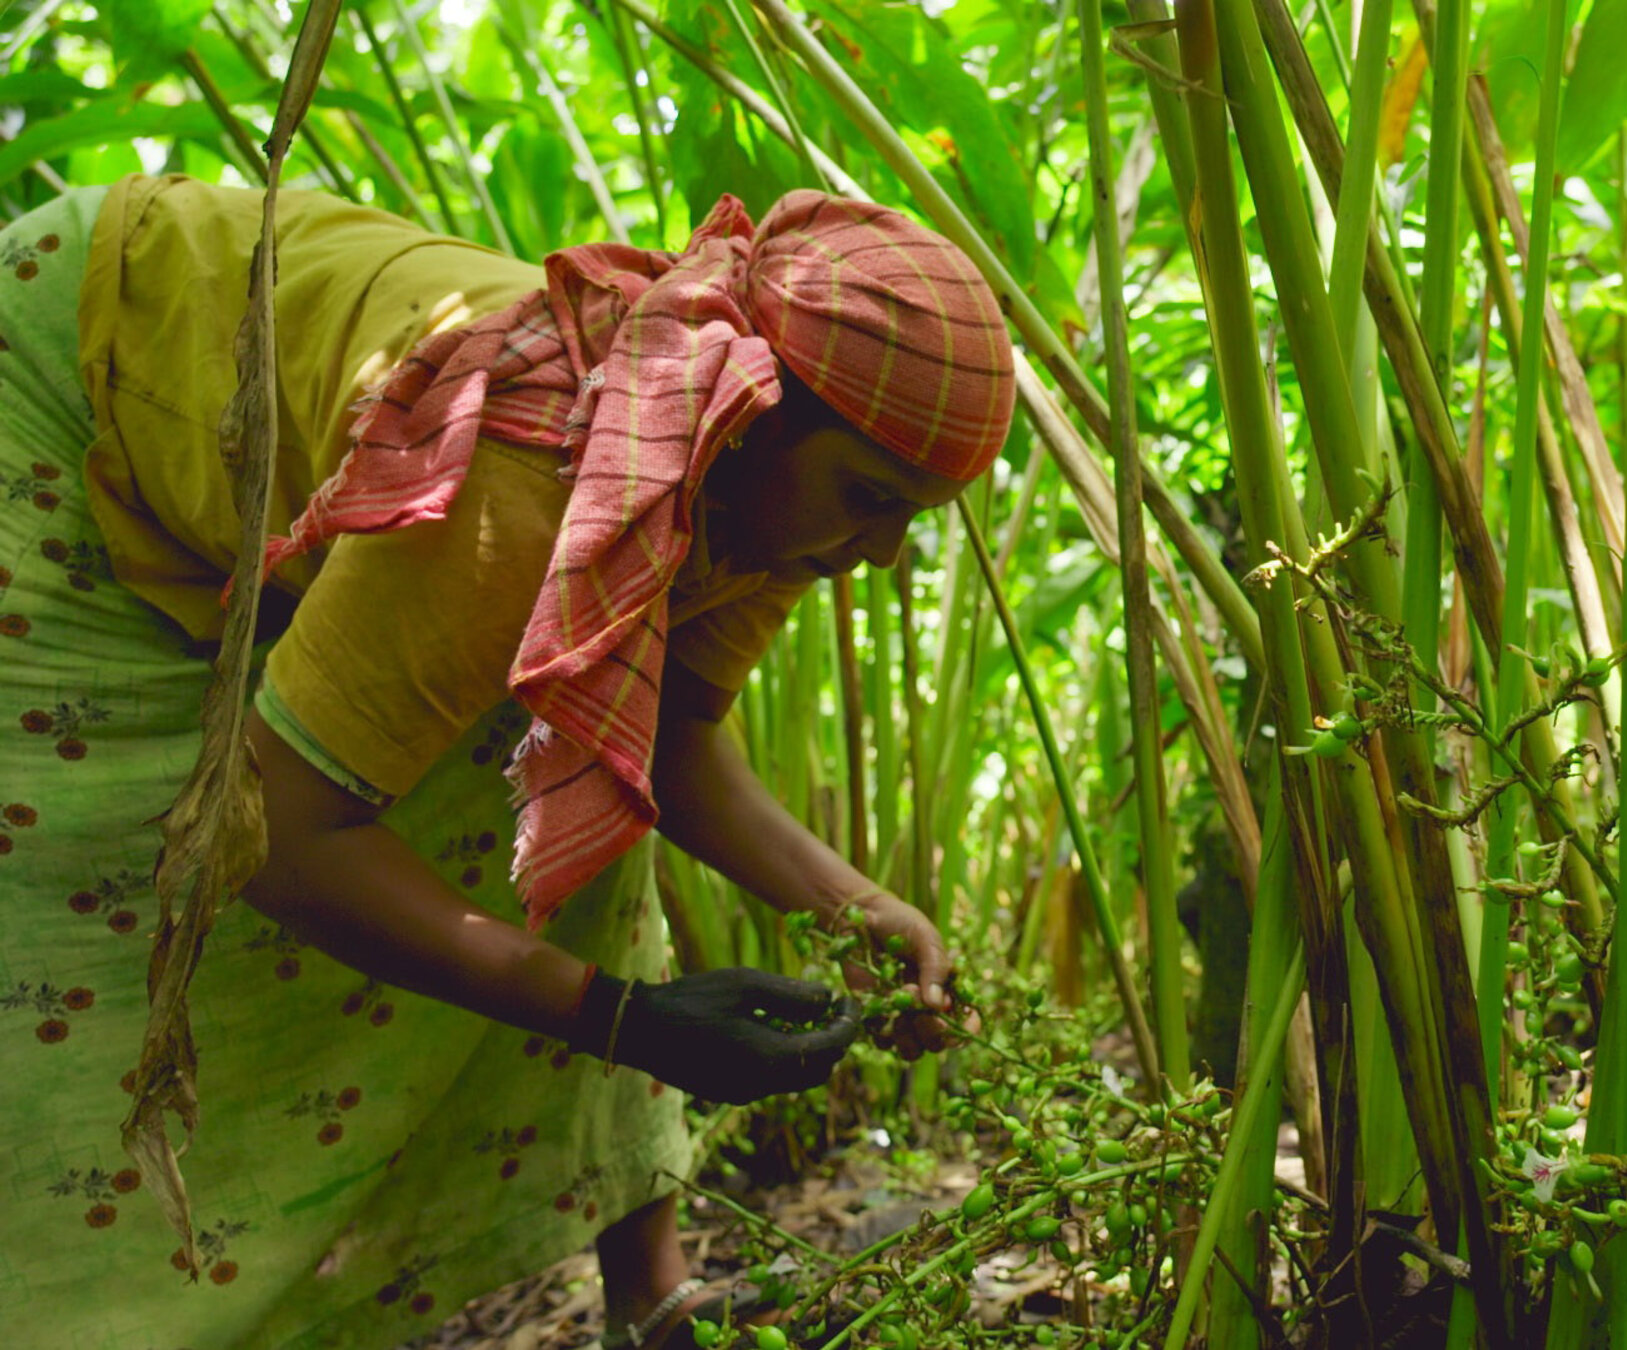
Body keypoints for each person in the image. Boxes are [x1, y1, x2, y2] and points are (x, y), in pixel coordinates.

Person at [0, 173, 1015, 1349]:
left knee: (577, 769)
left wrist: (855, 905)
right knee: (85, 883)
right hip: (77, 375)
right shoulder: (533, 479)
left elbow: (665, 736)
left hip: (284, 468)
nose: (883, 553)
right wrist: (616, 1016)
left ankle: (655, 1299)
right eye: (873, 500)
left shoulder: (762, 489)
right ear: (751, 410)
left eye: (914, 516)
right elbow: (270, 831)